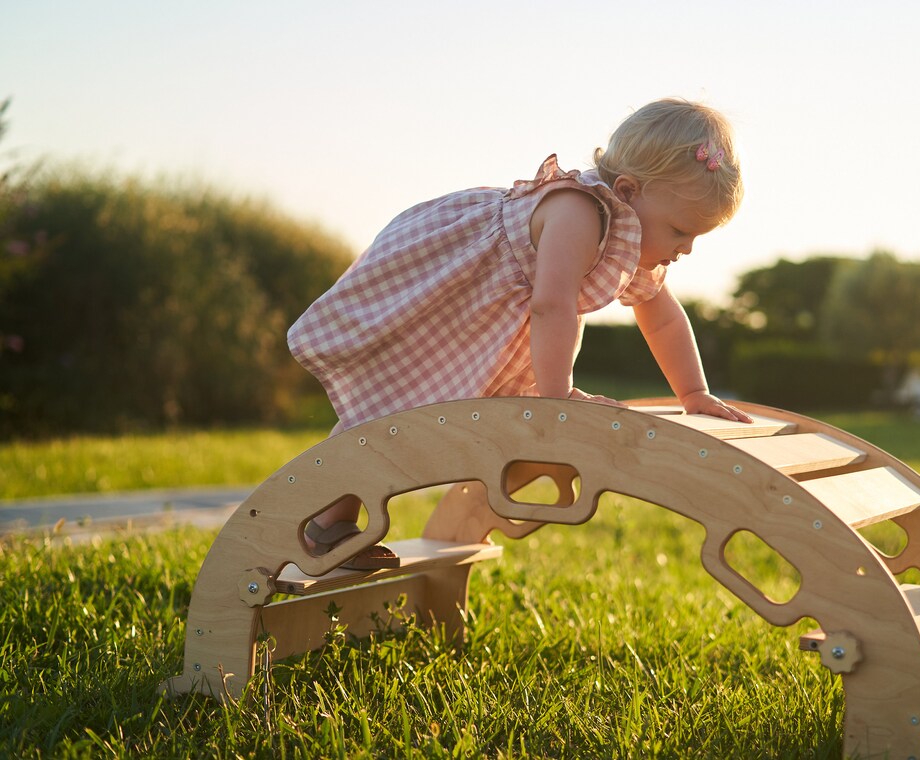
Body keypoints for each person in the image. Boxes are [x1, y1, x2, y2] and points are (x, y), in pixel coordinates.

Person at [288, 97, 752, 569]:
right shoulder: (578, 211)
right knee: (394, 408)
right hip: (454, 304)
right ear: (629, 191)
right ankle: (324, 517)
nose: (686, 248)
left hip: (488, 331)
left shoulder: (629, 235)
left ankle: (330, 520)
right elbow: (552, 305)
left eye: (696, 237)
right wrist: (559, 397)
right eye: (679, 230)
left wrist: (694, 393)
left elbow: (663, 318)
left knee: (420, 425)